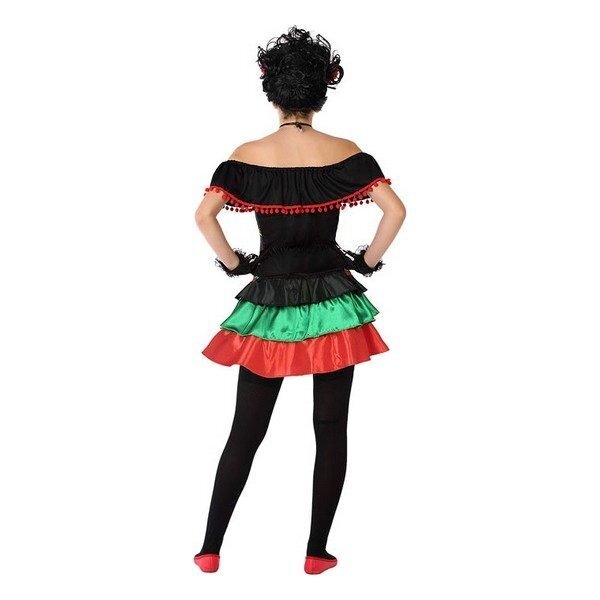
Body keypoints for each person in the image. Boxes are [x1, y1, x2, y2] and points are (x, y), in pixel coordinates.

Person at [193, 25, 407, 575]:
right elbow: (396, 211)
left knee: (245, 430)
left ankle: (210, 548)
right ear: (322, 91)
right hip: (334, 301)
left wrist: (235, 264)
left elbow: (204, 216)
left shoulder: (246, 156)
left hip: (268, 302)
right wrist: (368, 261)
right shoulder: (346, 153)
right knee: (330, 428)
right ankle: (316, 553)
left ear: (271, 91)